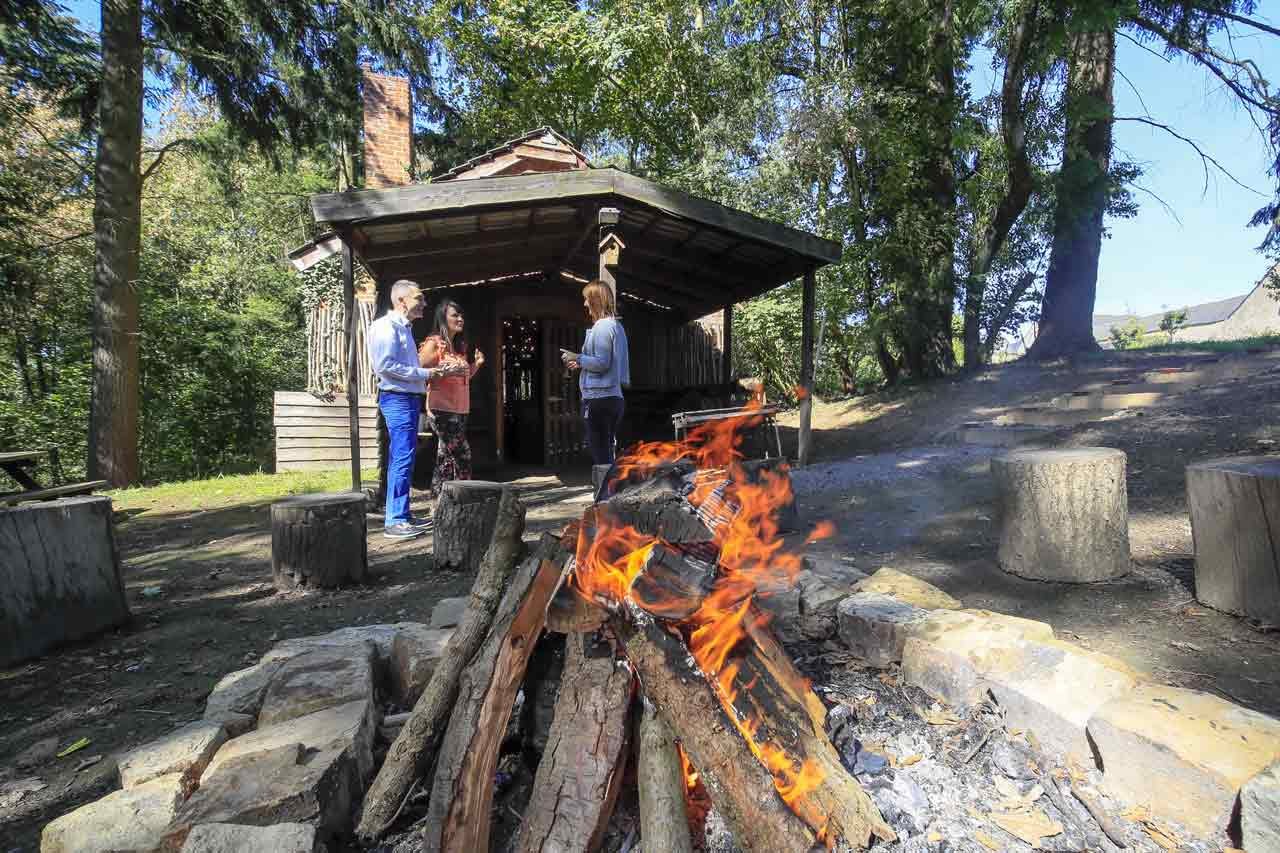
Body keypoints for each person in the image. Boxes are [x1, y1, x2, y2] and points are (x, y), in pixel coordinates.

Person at [367, 280, 465, 540]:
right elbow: (385, 366)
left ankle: (402, 515)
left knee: (405, 457)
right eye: (418, 298)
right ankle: (395, 520)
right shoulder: (385, 327)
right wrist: (428, 372)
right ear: (401, 301)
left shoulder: (404, 328)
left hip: (408, 398)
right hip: (397, 398)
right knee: (401, 457)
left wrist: (429, 375)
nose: (423, 303)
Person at [418, 299, 485, 499]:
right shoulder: (433, 343)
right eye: (455, 315)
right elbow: (419, 371)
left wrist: (477, 365)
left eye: (461, 315)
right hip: (442, 410)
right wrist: (440, 372)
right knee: (462, 455)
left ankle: (439, 503)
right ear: (443, 318)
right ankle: (463, 500)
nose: (460, 318)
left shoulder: (459, 347)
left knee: (445, 457)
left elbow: (462, 378)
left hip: (460, 409)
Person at [562, 280, 630, 465]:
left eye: (586, 300)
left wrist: (578, 357)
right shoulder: (616, 326)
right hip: (613, 397)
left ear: (596, 300)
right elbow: (609, 362)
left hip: (599, 400)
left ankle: (605, 493)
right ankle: (610, 491)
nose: (584, 304)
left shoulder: (602, 326)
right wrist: (581, 363)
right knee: (607, 451)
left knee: (601, 456)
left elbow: (602, 363)